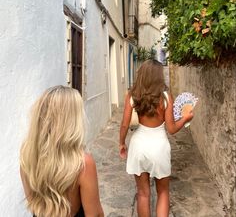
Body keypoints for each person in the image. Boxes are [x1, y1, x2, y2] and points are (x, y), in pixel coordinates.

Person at [119, 60, 194, 217]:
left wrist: (121, 143)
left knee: (143, 193)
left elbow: (125, 125)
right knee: (163, 192)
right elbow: (172, 129)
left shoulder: (132, 95)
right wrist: (185, 118)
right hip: (159, 147)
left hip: (138, 146)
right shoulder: (166, 97)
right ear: (159, 76)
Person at [20, 85, 104, 217]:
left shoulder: (27, 158)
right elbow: (95, 214)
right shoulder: (83, 164)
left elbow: (33, 205)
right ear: (72, 122)